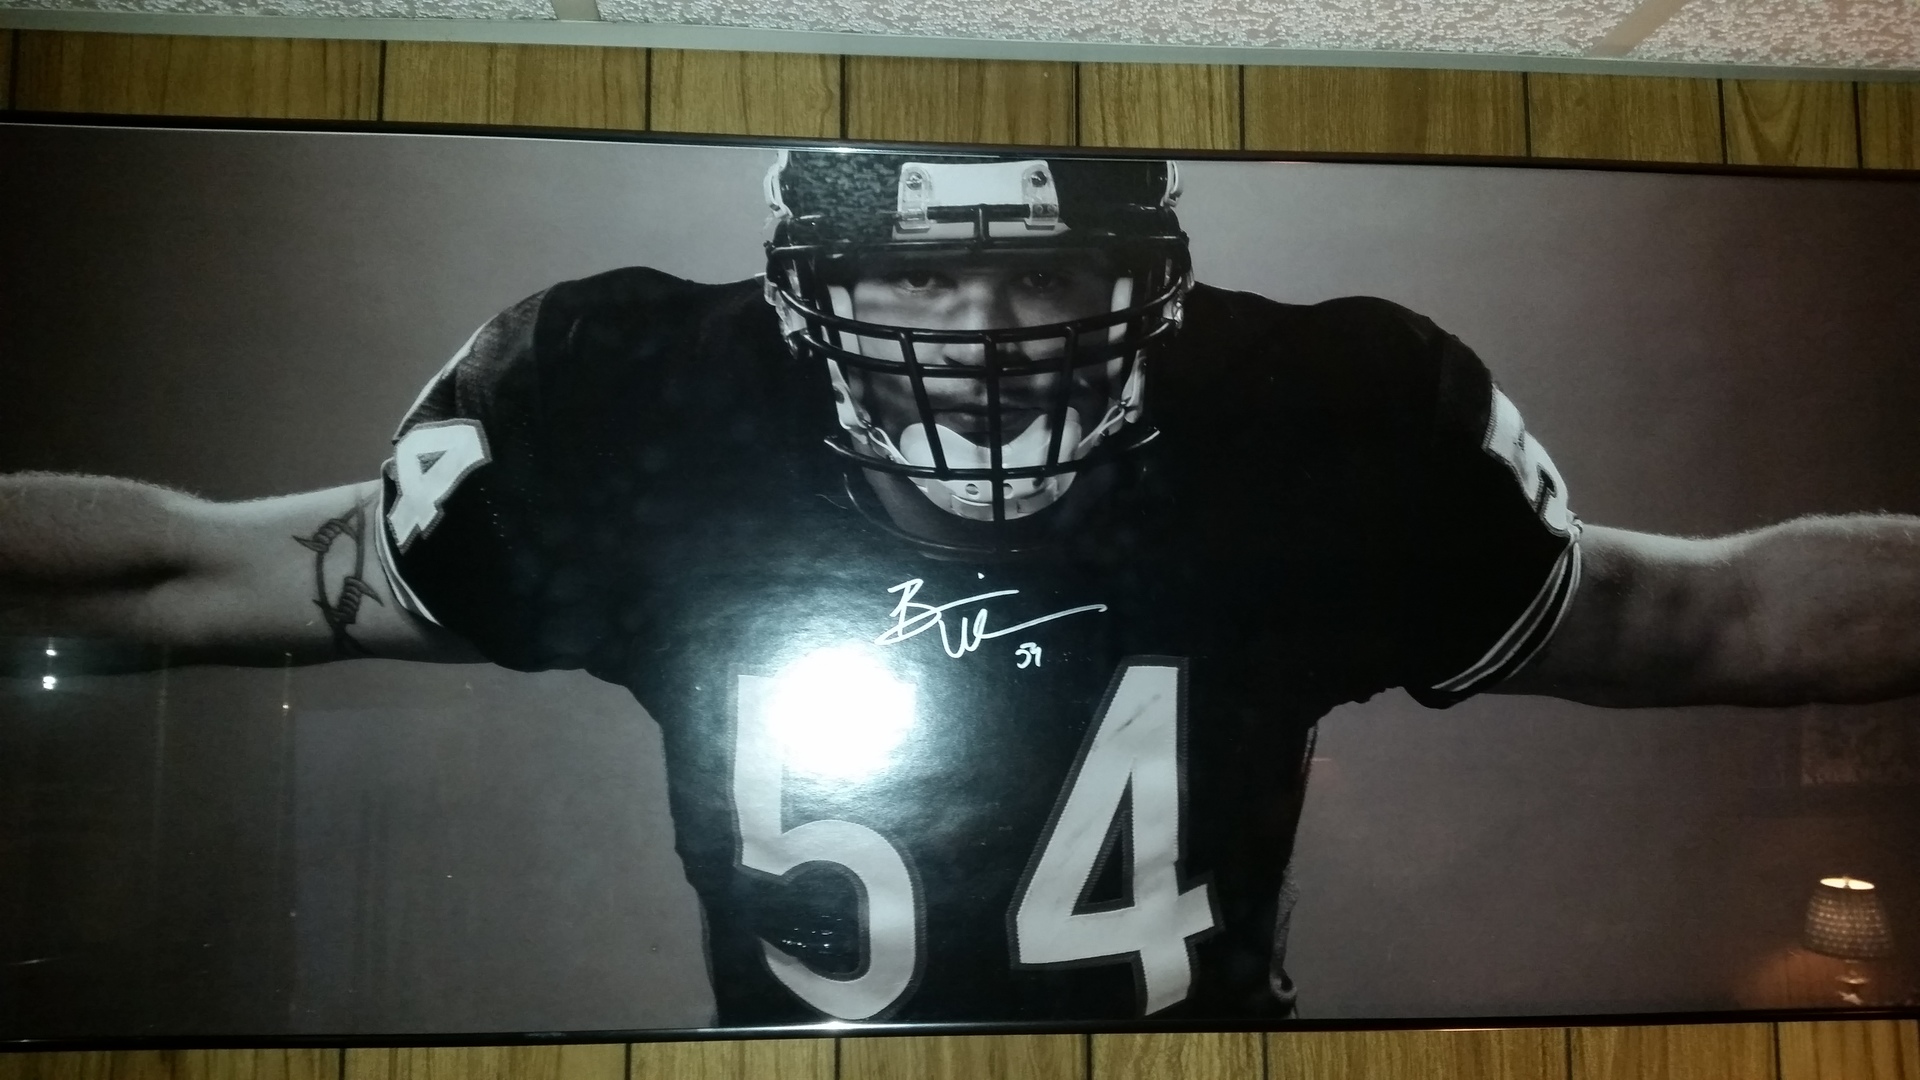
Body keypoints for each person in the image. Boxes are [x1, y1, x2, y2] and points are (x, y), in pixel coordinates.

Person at [4, 148, 1919, 1026]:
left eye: (1045, 274)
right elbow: (199, 561)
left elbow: (1714, 614)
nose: (986, 337)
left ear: (1149, 286)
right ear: (807, 297)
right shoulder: (629, 412)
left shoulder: (1325, 421)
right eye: (920, 272)